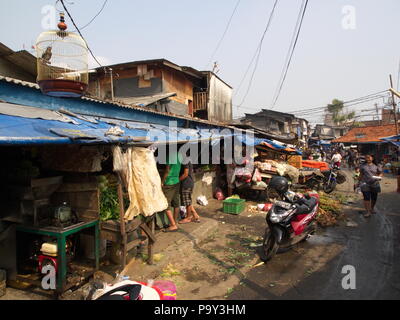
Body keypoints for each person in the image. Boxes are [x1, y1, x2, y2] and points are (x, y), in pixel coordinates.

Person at [161, 150, 182, 232]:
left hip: (169, 182)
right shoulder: (180, 155)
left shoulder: (170, 156)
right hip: (176, 180)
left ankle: (173, 225)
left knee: (166, 204)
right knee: (176, 203)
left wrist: (162, 181)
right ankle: (174, 222)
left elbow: (167, 171)